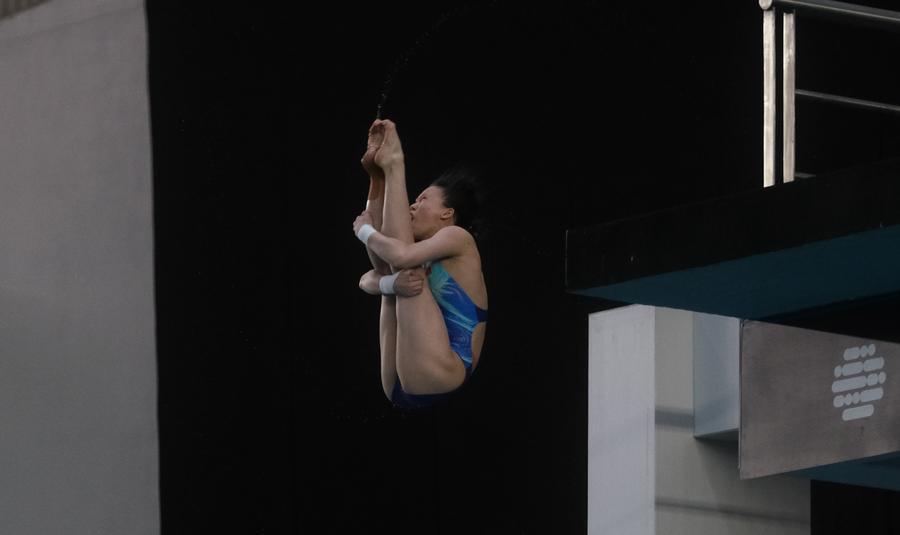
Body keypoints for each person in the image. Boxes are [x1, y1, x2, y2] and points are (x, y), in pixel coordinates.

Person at [353, 119, 488, 410]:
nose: (413, 206)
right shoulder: (417, 251)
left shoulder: (459, 238)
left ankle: (395, 163)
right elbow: (367, 279)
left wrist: (364, 230)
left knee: (404, 270)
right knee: (394, 278)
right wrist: (376, 179)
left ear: (447, 213)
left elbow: (400, 257)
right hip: (398, 383)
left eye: (422, 199)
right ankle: (385, 173)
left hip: (444, 370)